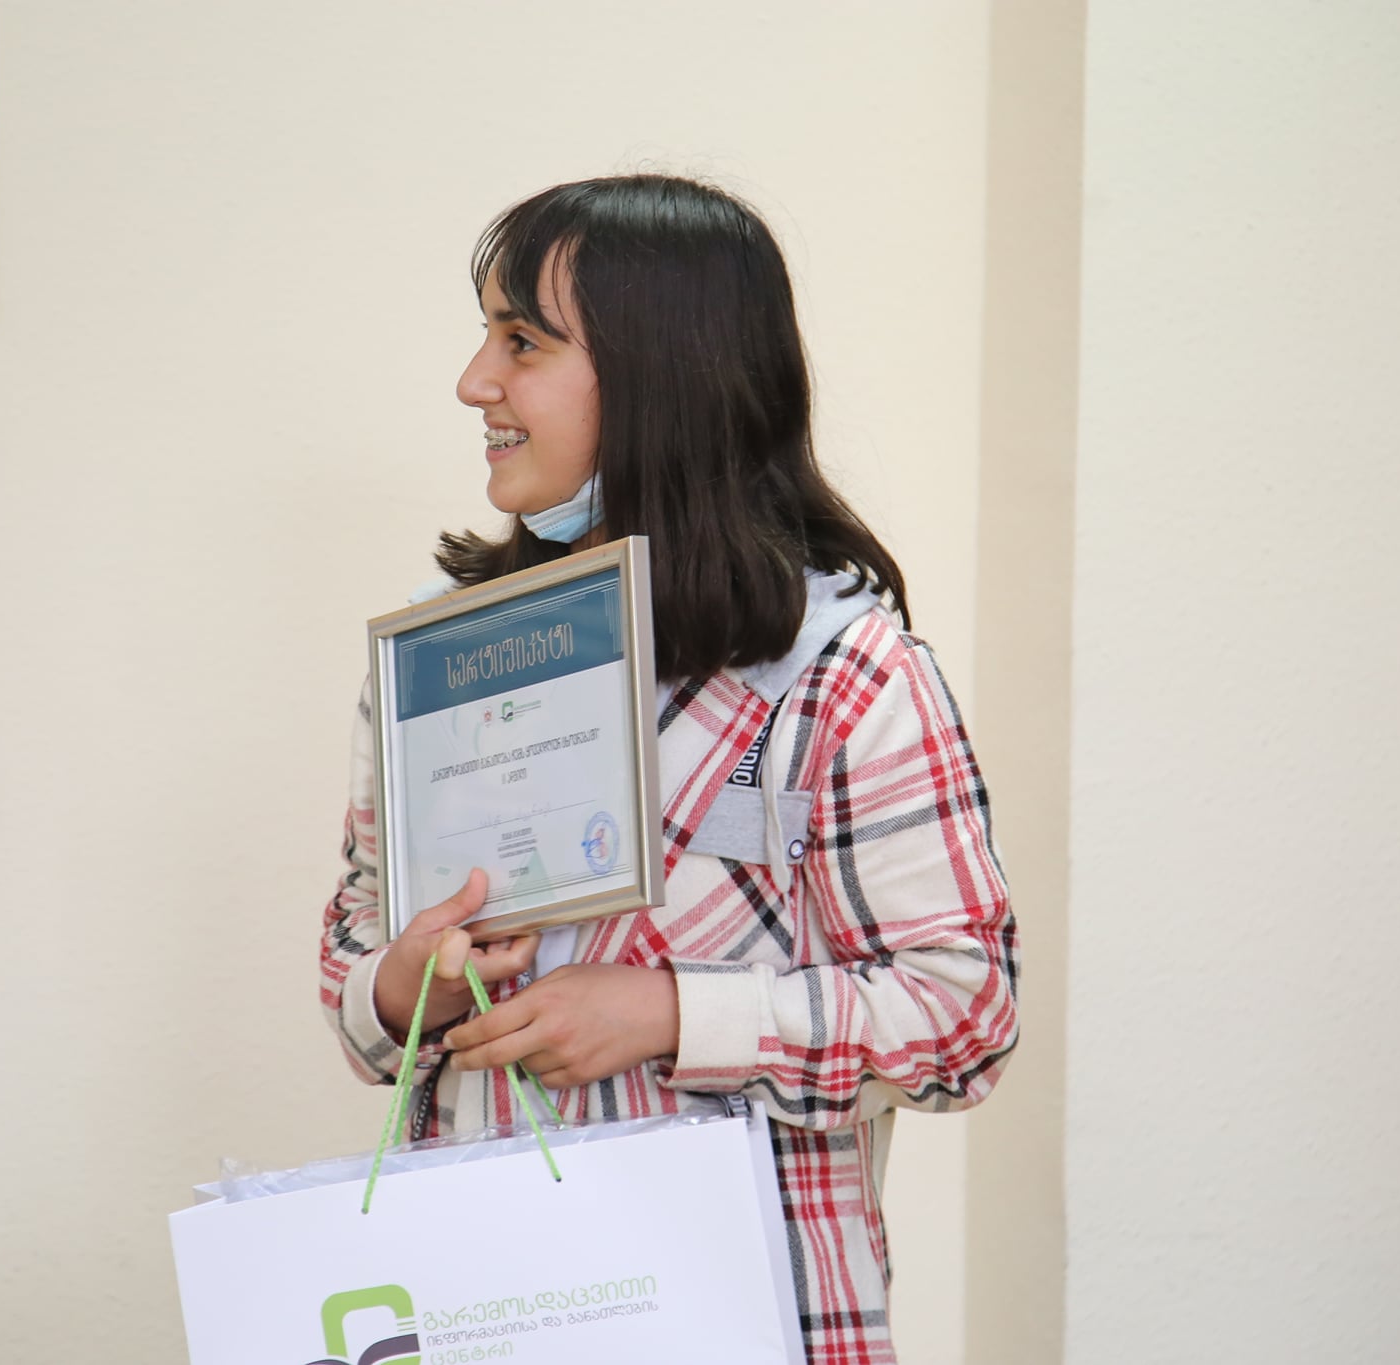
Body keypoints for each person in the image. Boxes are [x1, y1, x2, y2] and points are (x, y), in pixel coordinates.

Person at [319, 174, 1018, 1365]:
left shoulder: (840, 673)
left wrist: (670, 1014)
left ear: (663, 375)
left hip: (748, 1318)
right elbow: (353, 963)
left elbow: (964, 1020)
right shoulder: (444, 655)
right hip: (487, 1309)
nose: (475, 381)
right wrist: (402, 985)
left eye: (521, 342)